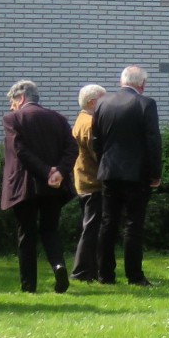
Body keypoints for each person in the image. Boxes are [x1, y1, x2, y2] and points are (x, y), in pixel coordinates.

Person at [0, 79, 77, 294]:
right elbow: (72, 148)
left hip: (25, 186)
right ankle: (58, 265)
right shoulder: (58, 118)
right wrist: (58, 171)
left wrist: (45, 172)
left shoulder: (12, 119)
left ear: (21, 98)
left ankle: (29, 286)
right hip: (53, 187)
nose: (11, 107)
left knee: (27, 234)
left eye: (12, 102)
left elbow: (19, 150)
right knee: (50, 230)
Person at [92, 65, 162, 287]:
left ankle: (105, 275)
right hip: (137, 174)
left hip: (110, 171)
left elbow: (97, 140)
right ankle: (135, 275)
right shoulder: (146, 104)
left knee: (107, 223)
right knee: (133, 224)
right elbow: (153, 141)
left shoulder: (102, 102)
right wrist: (155, 173)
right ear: (142, 84)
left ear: (122, 81)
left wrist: (103, 163)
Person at [69, 84, 107, 284]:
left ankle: (90, 270)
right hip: (92, 182)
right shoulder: (90, 123)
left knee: (91, 226)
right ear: (93, 102)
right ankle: (82, 271)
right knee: (92, 228)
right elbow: (97, 153)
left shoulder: (81, 119)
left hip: (84, 180)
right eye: (103, 99)